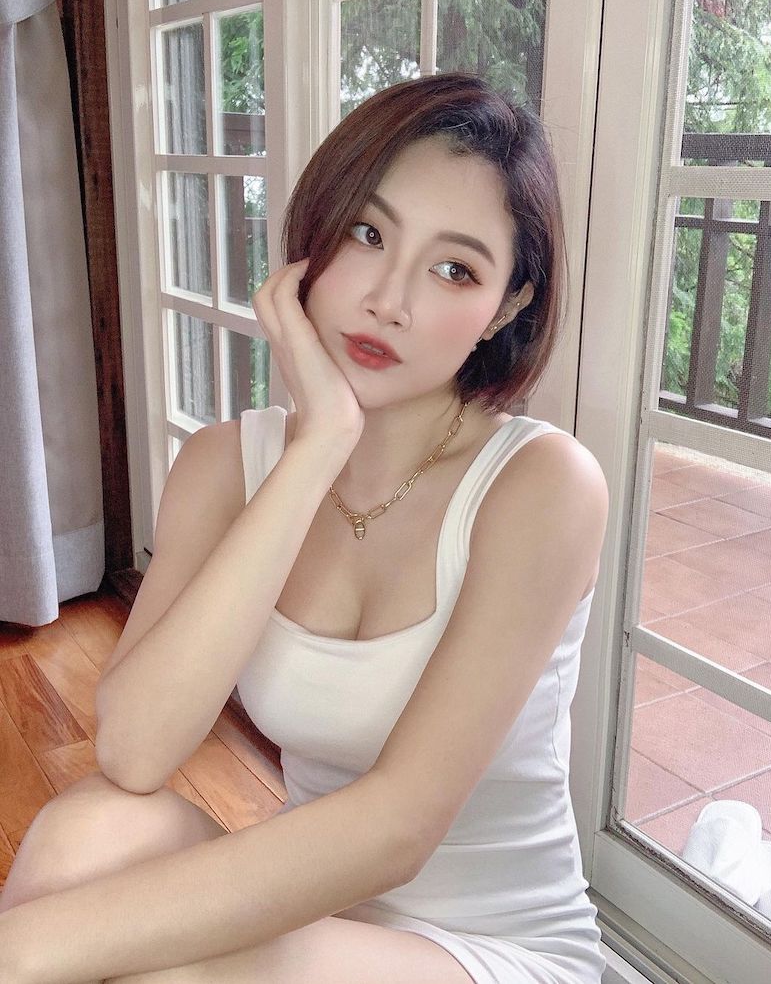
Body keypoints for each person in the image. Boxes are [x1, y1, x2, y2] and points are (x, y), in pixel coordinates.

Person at [0, 72, 609, 983]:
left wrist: (24, 949)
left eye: (454, 269)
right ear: (316, 236)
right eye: (368, 234)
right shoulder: (225, 464)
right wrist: (318, 446)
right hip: (313, 908)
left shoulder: (542, 486)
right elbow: (134, 750)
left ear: (510, 305)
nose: (389, 300)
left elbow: (398, 827)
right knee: (82, 830)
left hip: (492, 946)